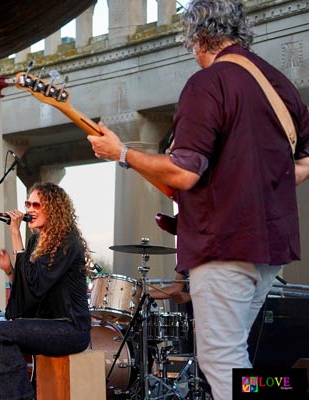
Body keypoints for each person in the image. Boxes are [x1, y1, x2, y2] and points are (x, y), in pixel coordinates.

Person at [86, 1, 309, 399]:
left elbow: (184, 173)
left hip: (224, 244)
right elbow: (304, 159)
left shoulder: (208, 83)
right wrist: (258, 187)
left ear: (197, 37)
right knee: (237, 355)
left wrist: (121, 153)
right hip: (268, 250)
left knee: (220, 359)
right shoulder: (278, 85)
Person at [0, 182, 92, 400]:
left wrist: (15, 234)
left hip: (70, 327)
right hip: (47, 323)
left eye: (36, 204)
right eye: (28, 204)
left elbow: (36, 285)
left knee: (1, 333)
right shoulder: (37, 241)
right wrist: (10, 270)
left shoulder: (67, 242)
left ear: (54, 209)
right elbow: (29, 291)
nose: (29, 209)